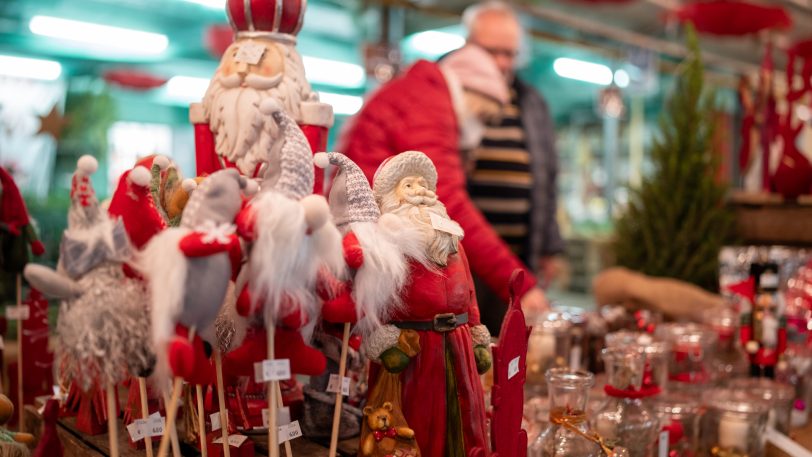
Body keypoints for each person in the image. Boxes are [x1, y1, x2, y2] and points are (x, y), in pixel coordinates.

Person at [339, 43, 548, 323]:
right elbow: (448, 205)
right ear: (470, 96)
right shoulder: (430, 102)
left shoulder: (420, 91)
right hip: (369, 241)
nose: (480, 129)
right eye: (483, 116)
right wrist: (519, 284)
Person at [362, 150, 491, 456]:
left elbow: (469, 291)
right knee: (416, 420)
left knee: (464, 419)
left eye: (424, 184)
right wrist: (383, 340)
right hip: (413, 348)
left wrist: (476, 334)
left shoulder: (451, 240)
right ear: (394, 198)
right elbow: (372, 299)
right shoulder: (387, 242)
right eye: (410, 185)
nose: (420, 191)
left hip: (458, 344)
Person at [463, 1, 565, 333]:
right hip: (462, 259)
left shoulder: (532, 102)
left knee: (510, 349)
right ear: (468, 45)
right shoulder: (452, 93)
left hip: (520, 255)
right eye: (492, 51)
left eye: (510, 53)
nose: (502, 62)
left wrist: (550, 246)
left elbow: (547, 177)